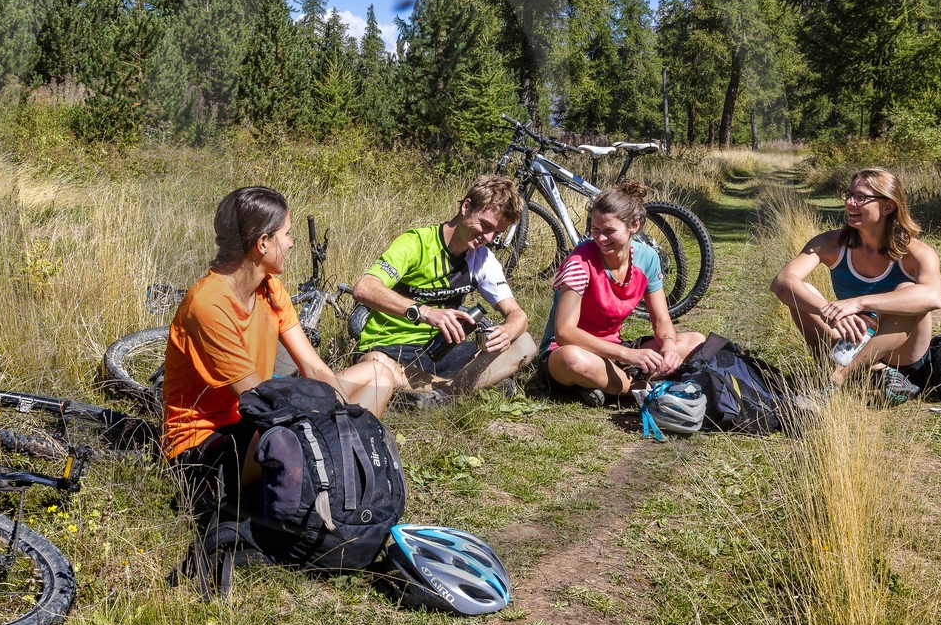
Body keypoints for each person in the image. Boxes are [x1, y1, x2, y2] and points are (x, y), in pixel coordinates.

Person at [163, 187, 398, 472]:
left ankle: (342, 461)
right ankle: (335, 465)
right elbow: (256, 398)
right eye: (286, 233)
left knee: (378, 374)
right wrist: (325, 417)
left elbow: (313, 365)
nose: (291, 243)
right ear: (263, 242)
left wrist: (344, 414)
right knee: (288, 438)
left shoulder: (270, 288)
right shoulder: (208, 304)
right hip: (206, 442)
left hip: (261, 419)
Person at [353, 175, 538, 402]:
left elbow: (517, 314)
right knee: (373, 366)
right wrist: (425, 312)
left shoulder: (482, 259)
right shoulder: (415, 243)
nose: (488, 238)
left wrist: (507, 332)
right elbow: (365, 288)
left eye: (497, 233)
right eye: (485, 225)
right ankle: (461, 388)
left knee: (524, 343)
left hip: (442, 350)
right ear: (466, 206)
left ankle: (437, 393)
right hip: (390, 348)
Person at [770, 167, 941, 387]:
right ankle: (853, 371)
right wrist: (830, 312)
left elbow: (933, 297)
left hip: (900, 357)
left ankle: (838, 377)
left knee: (908, 291)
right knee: (801, 293)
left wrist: (858, 303)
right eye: (849, 195)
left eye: (861, 197)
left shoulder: (917, 252)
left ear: (888, 206)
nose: (851, 202)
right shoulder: (830, 243)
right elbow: (782, 282)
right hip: (849, 346)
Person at [536, 181, 706, 404]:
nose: (600, 239)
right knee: (573, 360)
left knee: (695, 341)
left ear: (634, 226)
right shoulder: (580, 261)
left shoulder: (647, 258)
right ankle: (641, 389)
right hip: (568, 352)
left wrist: (669, 345)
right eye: (595, 230)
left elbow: (662, 319)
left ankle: (604, 385)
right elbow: (564, 333)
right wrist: (630, 355)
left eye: (609, 231)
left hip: (614, 351)